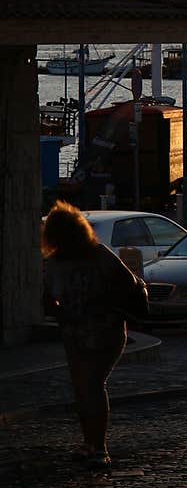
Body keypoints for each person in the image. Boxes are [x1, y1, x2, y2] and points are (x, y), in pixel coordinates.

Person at [42, 201, 144, 470]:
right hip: (75, 331)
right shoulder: (55, 263)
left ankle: (99, 446)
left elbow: (130, 285)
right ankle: (89, 443)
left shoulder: (99, 255)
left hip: (105, 330)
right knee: (82, 388)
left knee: (92, 385)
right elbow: (50, 298)